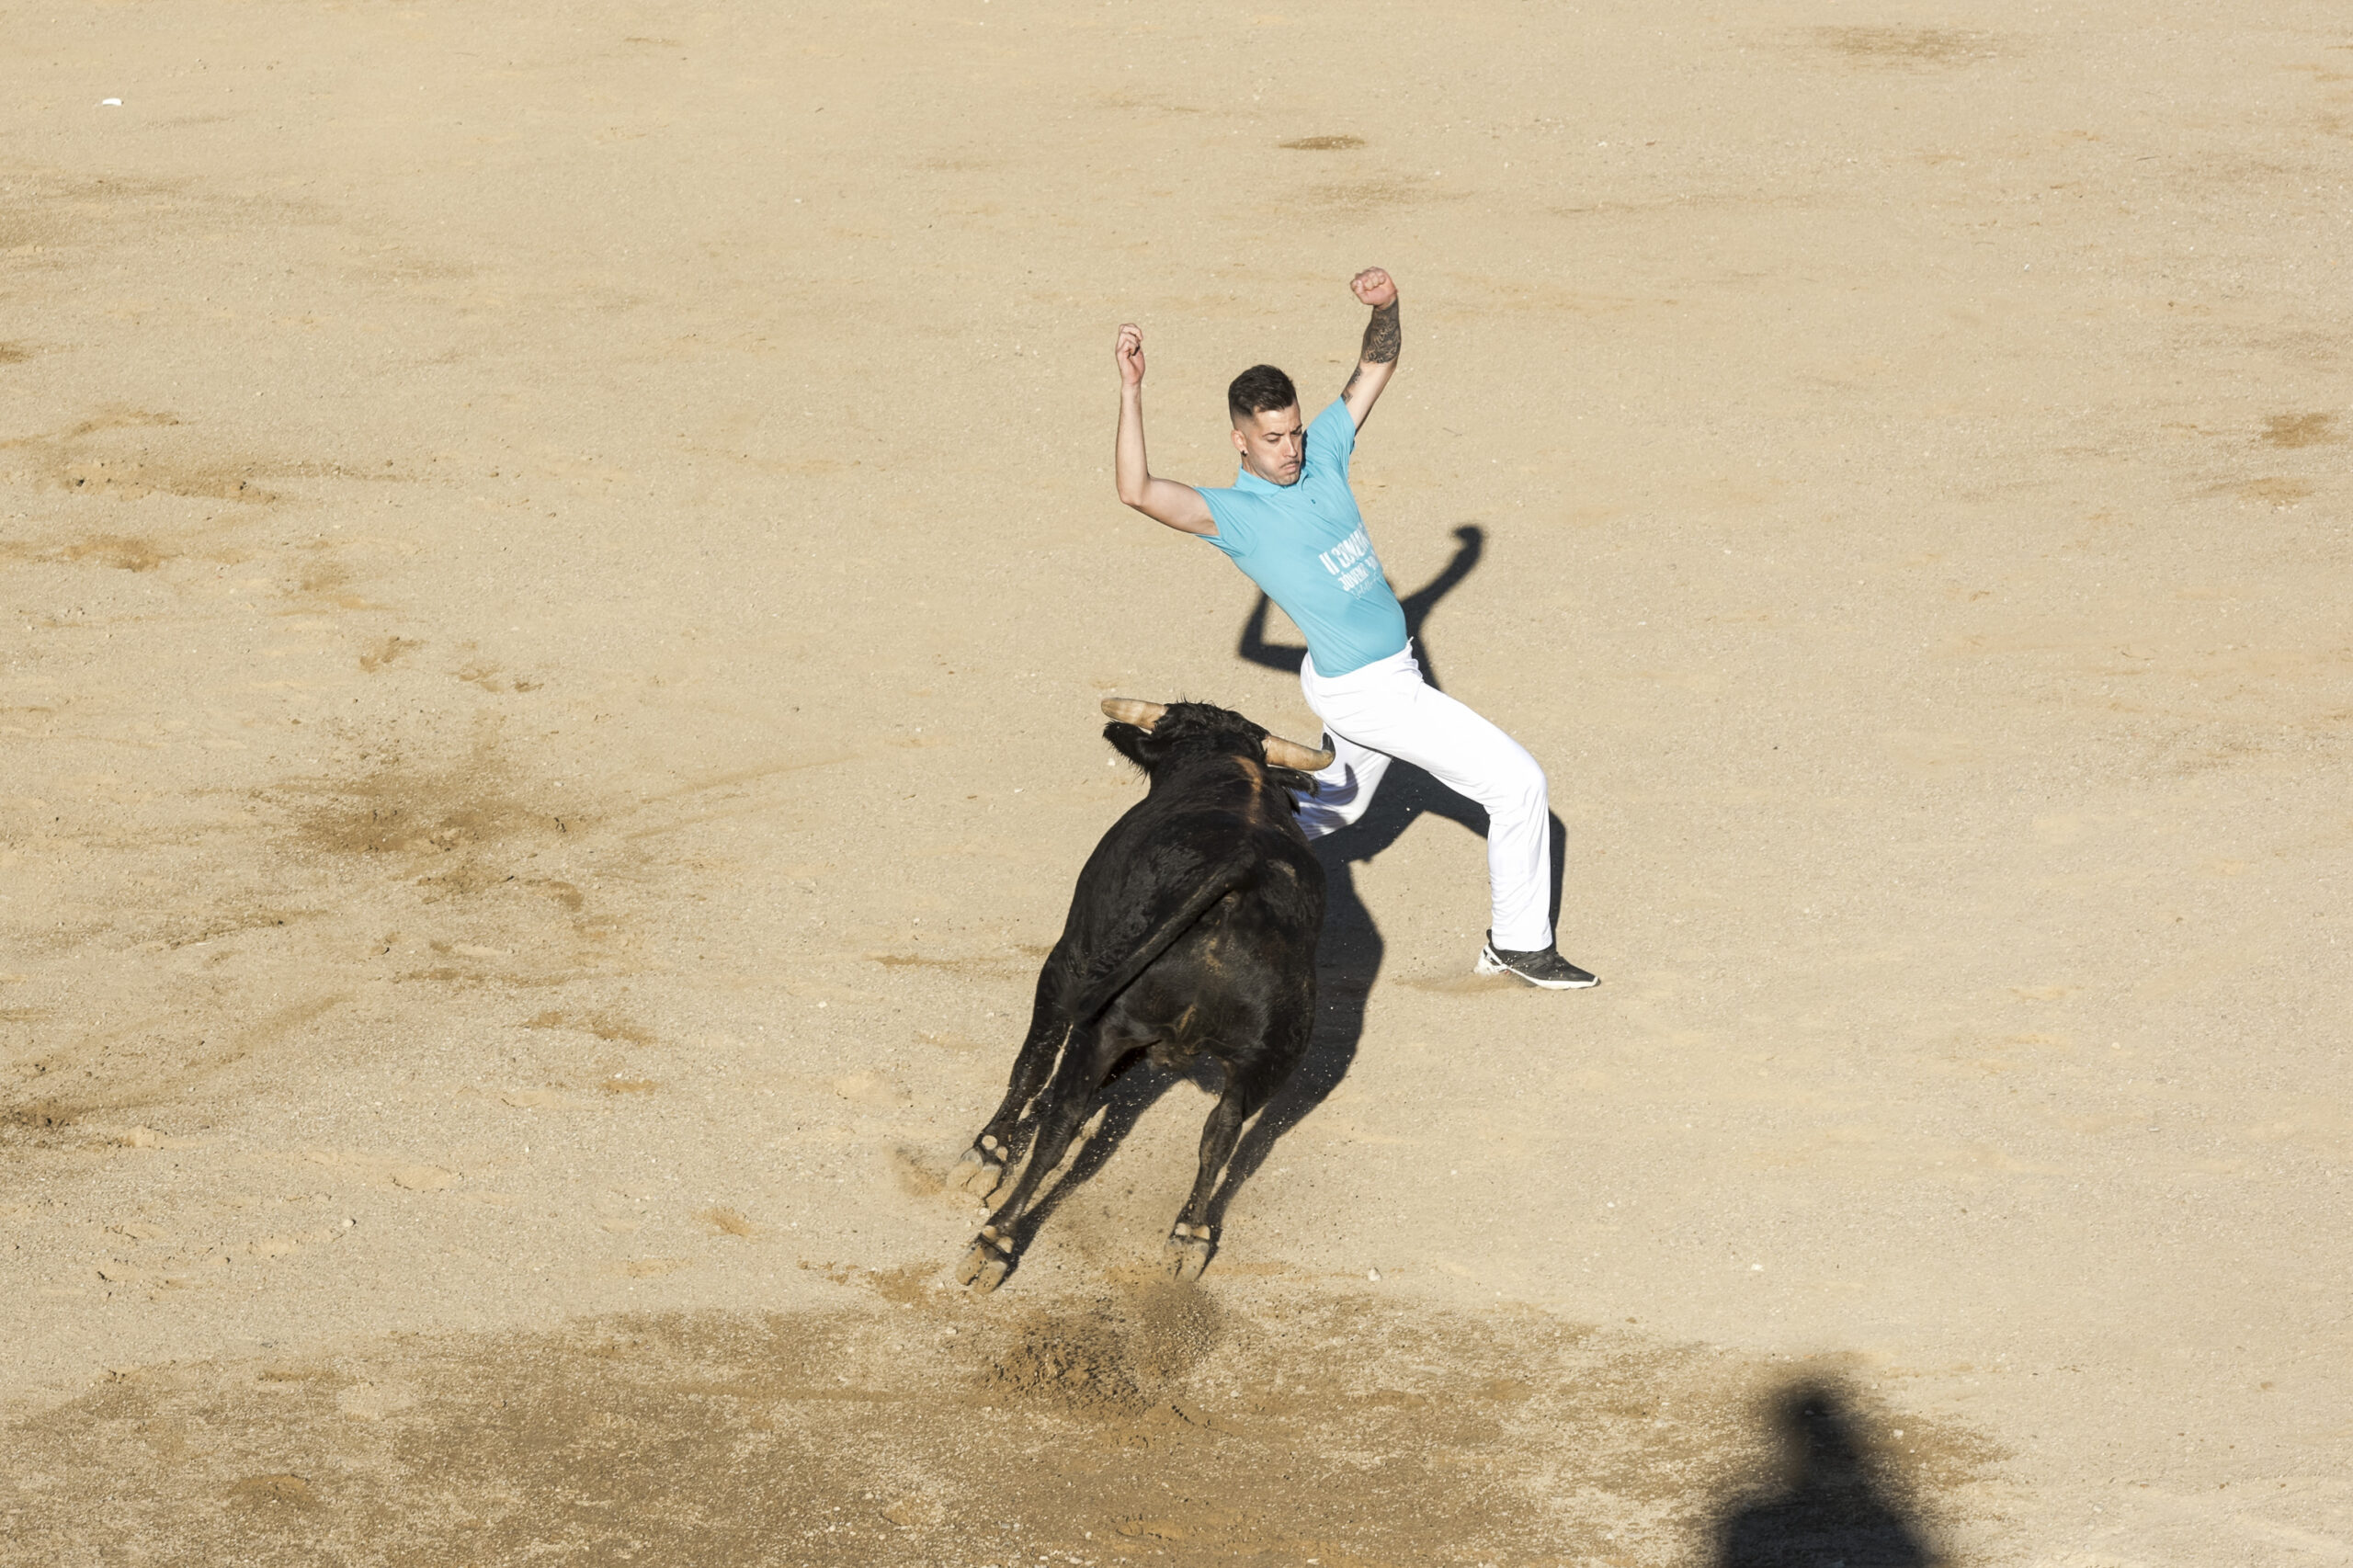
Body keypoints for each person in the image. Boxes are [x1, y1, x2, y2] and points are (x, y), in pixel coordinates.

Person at [1111, 268, 1597, 990]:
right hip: (1372, 695)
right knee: (1519, 785)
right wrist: (1131, 390)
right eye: (1272, 438)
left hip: (1370, 678)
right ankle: (1518, 946)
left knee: (1323, 813)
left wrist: (1388, 305)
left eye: (1295, 431)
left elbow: (1377, 362)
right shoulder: (1233, 516)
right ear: (1240, 441)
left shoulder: (1326, 452)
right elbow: (1137, 491)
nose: (1291, 449)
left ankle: (1187, 876)